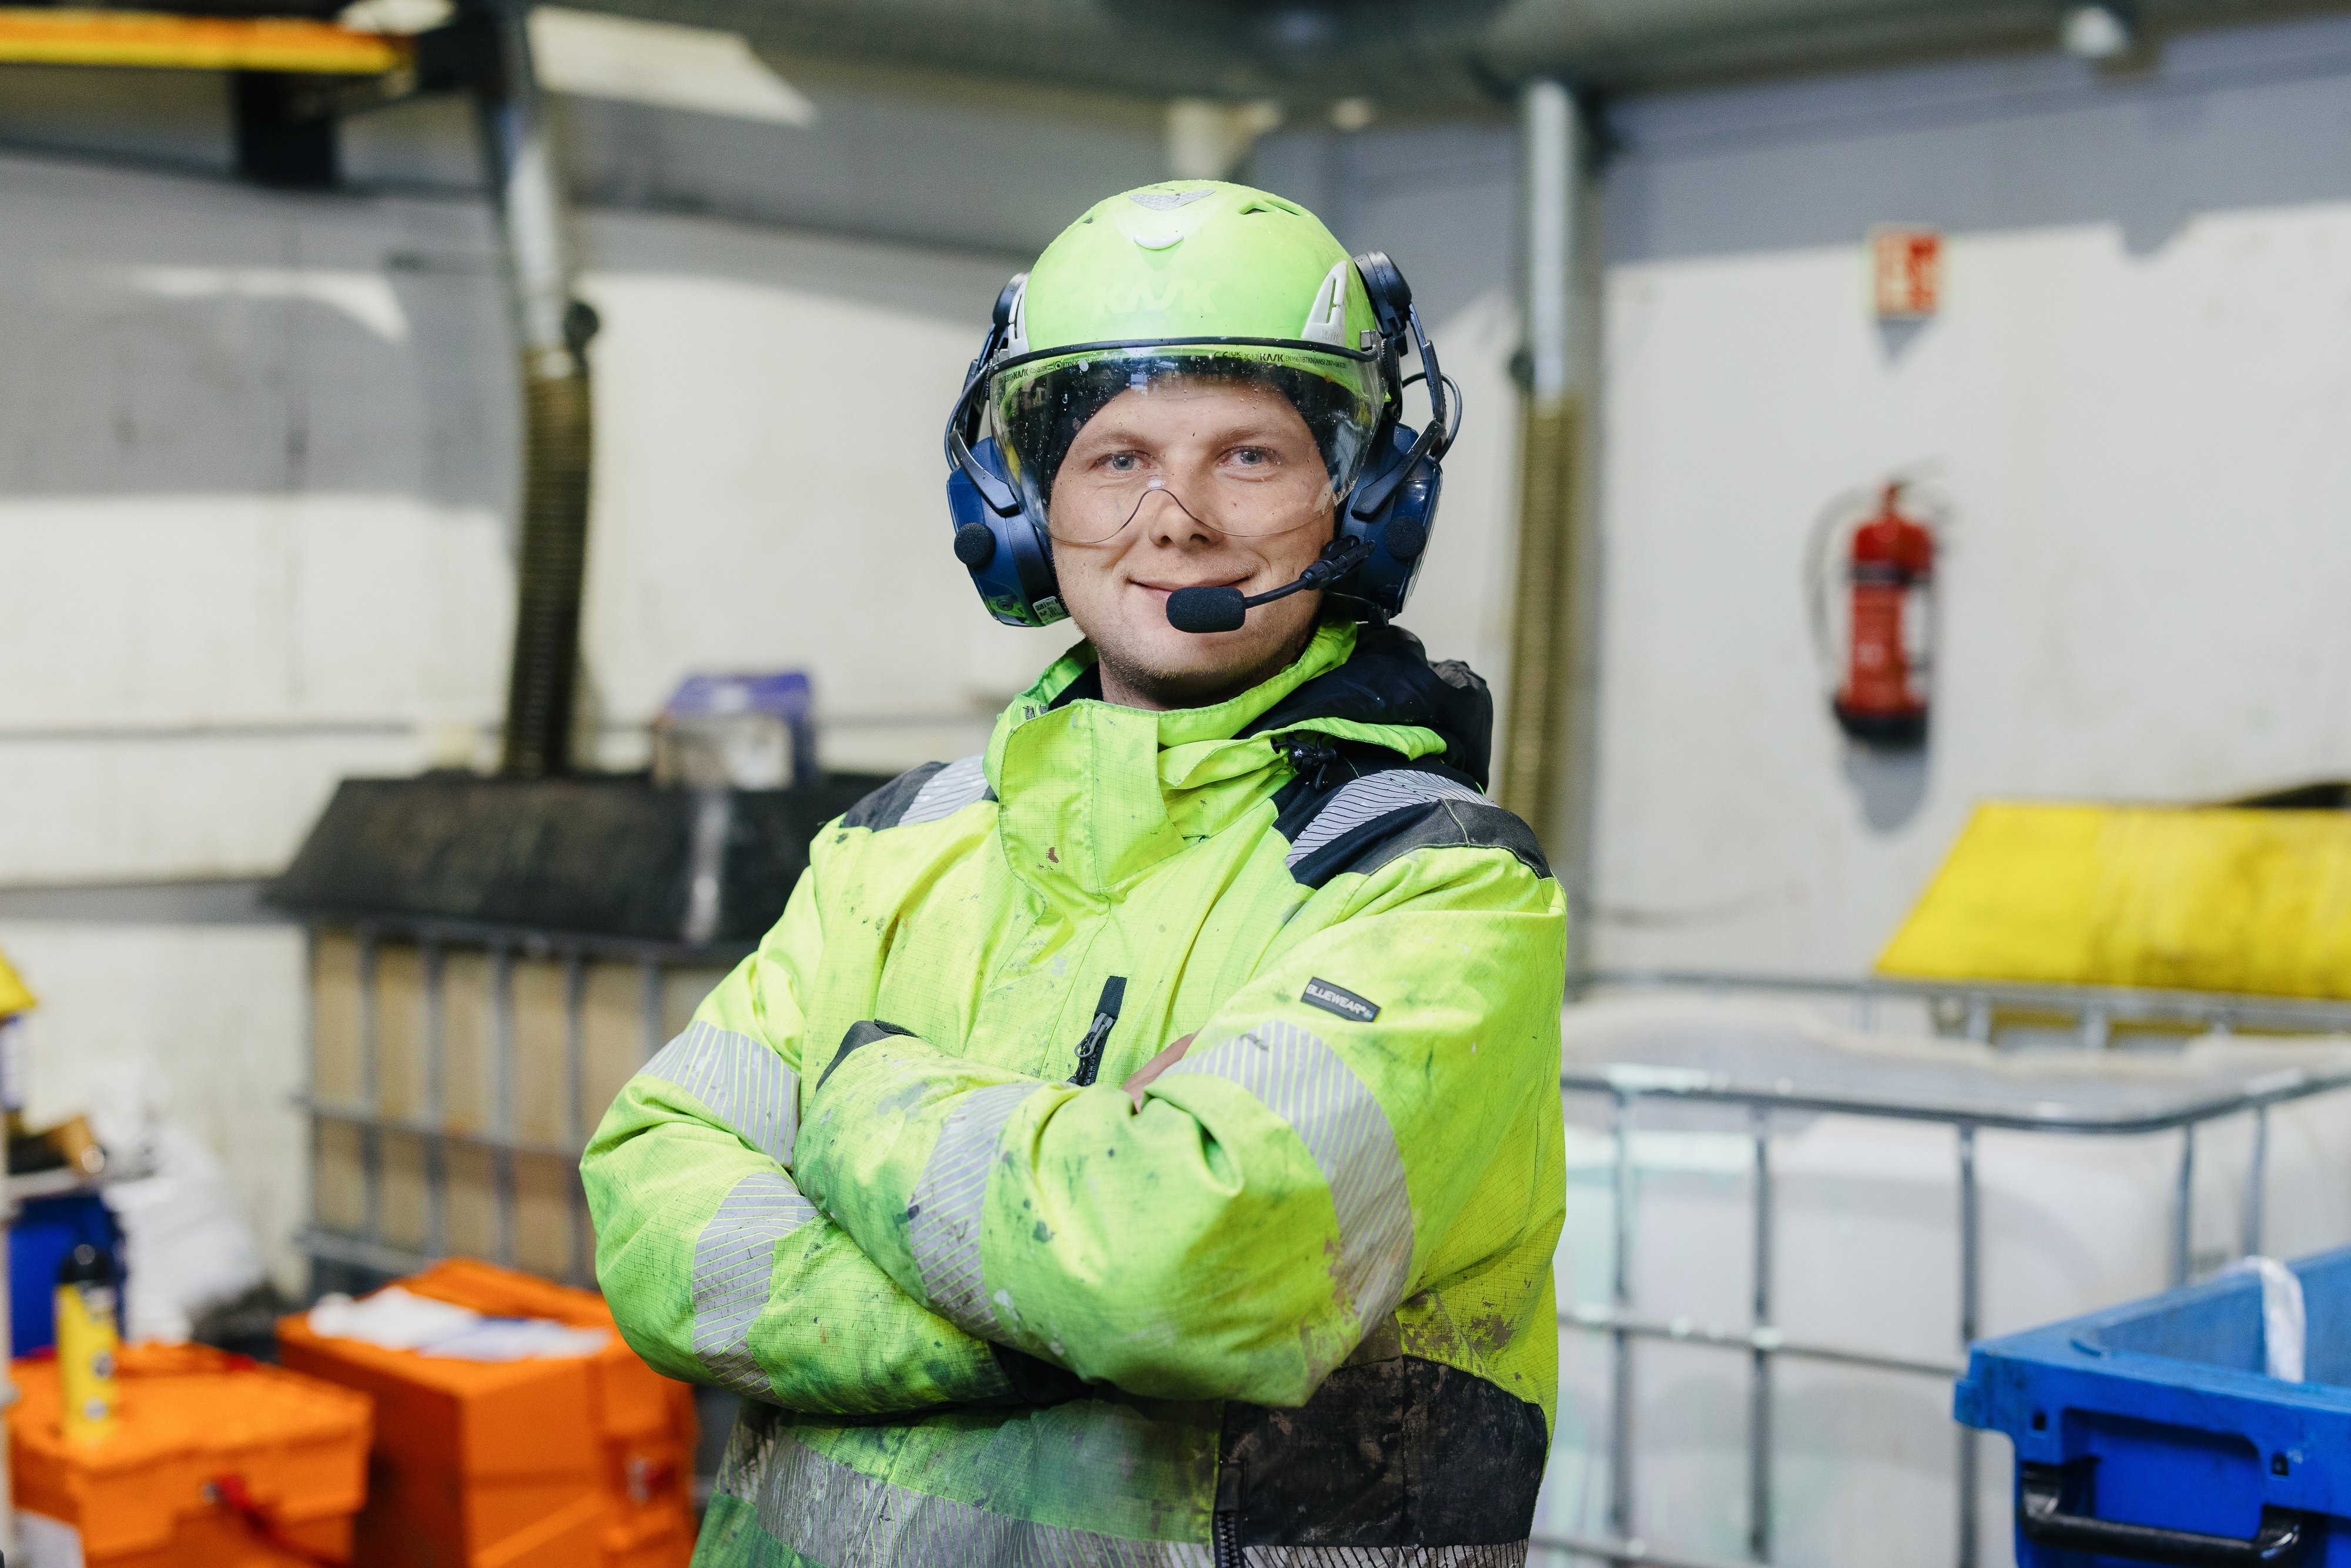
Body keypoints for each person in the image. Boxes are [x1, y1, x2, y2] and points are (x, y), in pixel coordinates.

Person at [584, 179, 1568, 1566]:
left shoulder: (1436, 885)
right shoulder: (892, 847)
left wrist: (861, 1096)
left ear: (1362, 499)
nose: (1173, 520)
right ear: (1020, 502)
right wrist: (1025, 1314)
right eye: (1115, 458)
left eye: (1247, 456)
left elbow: (1176, 1265)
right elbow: (654, 1215)